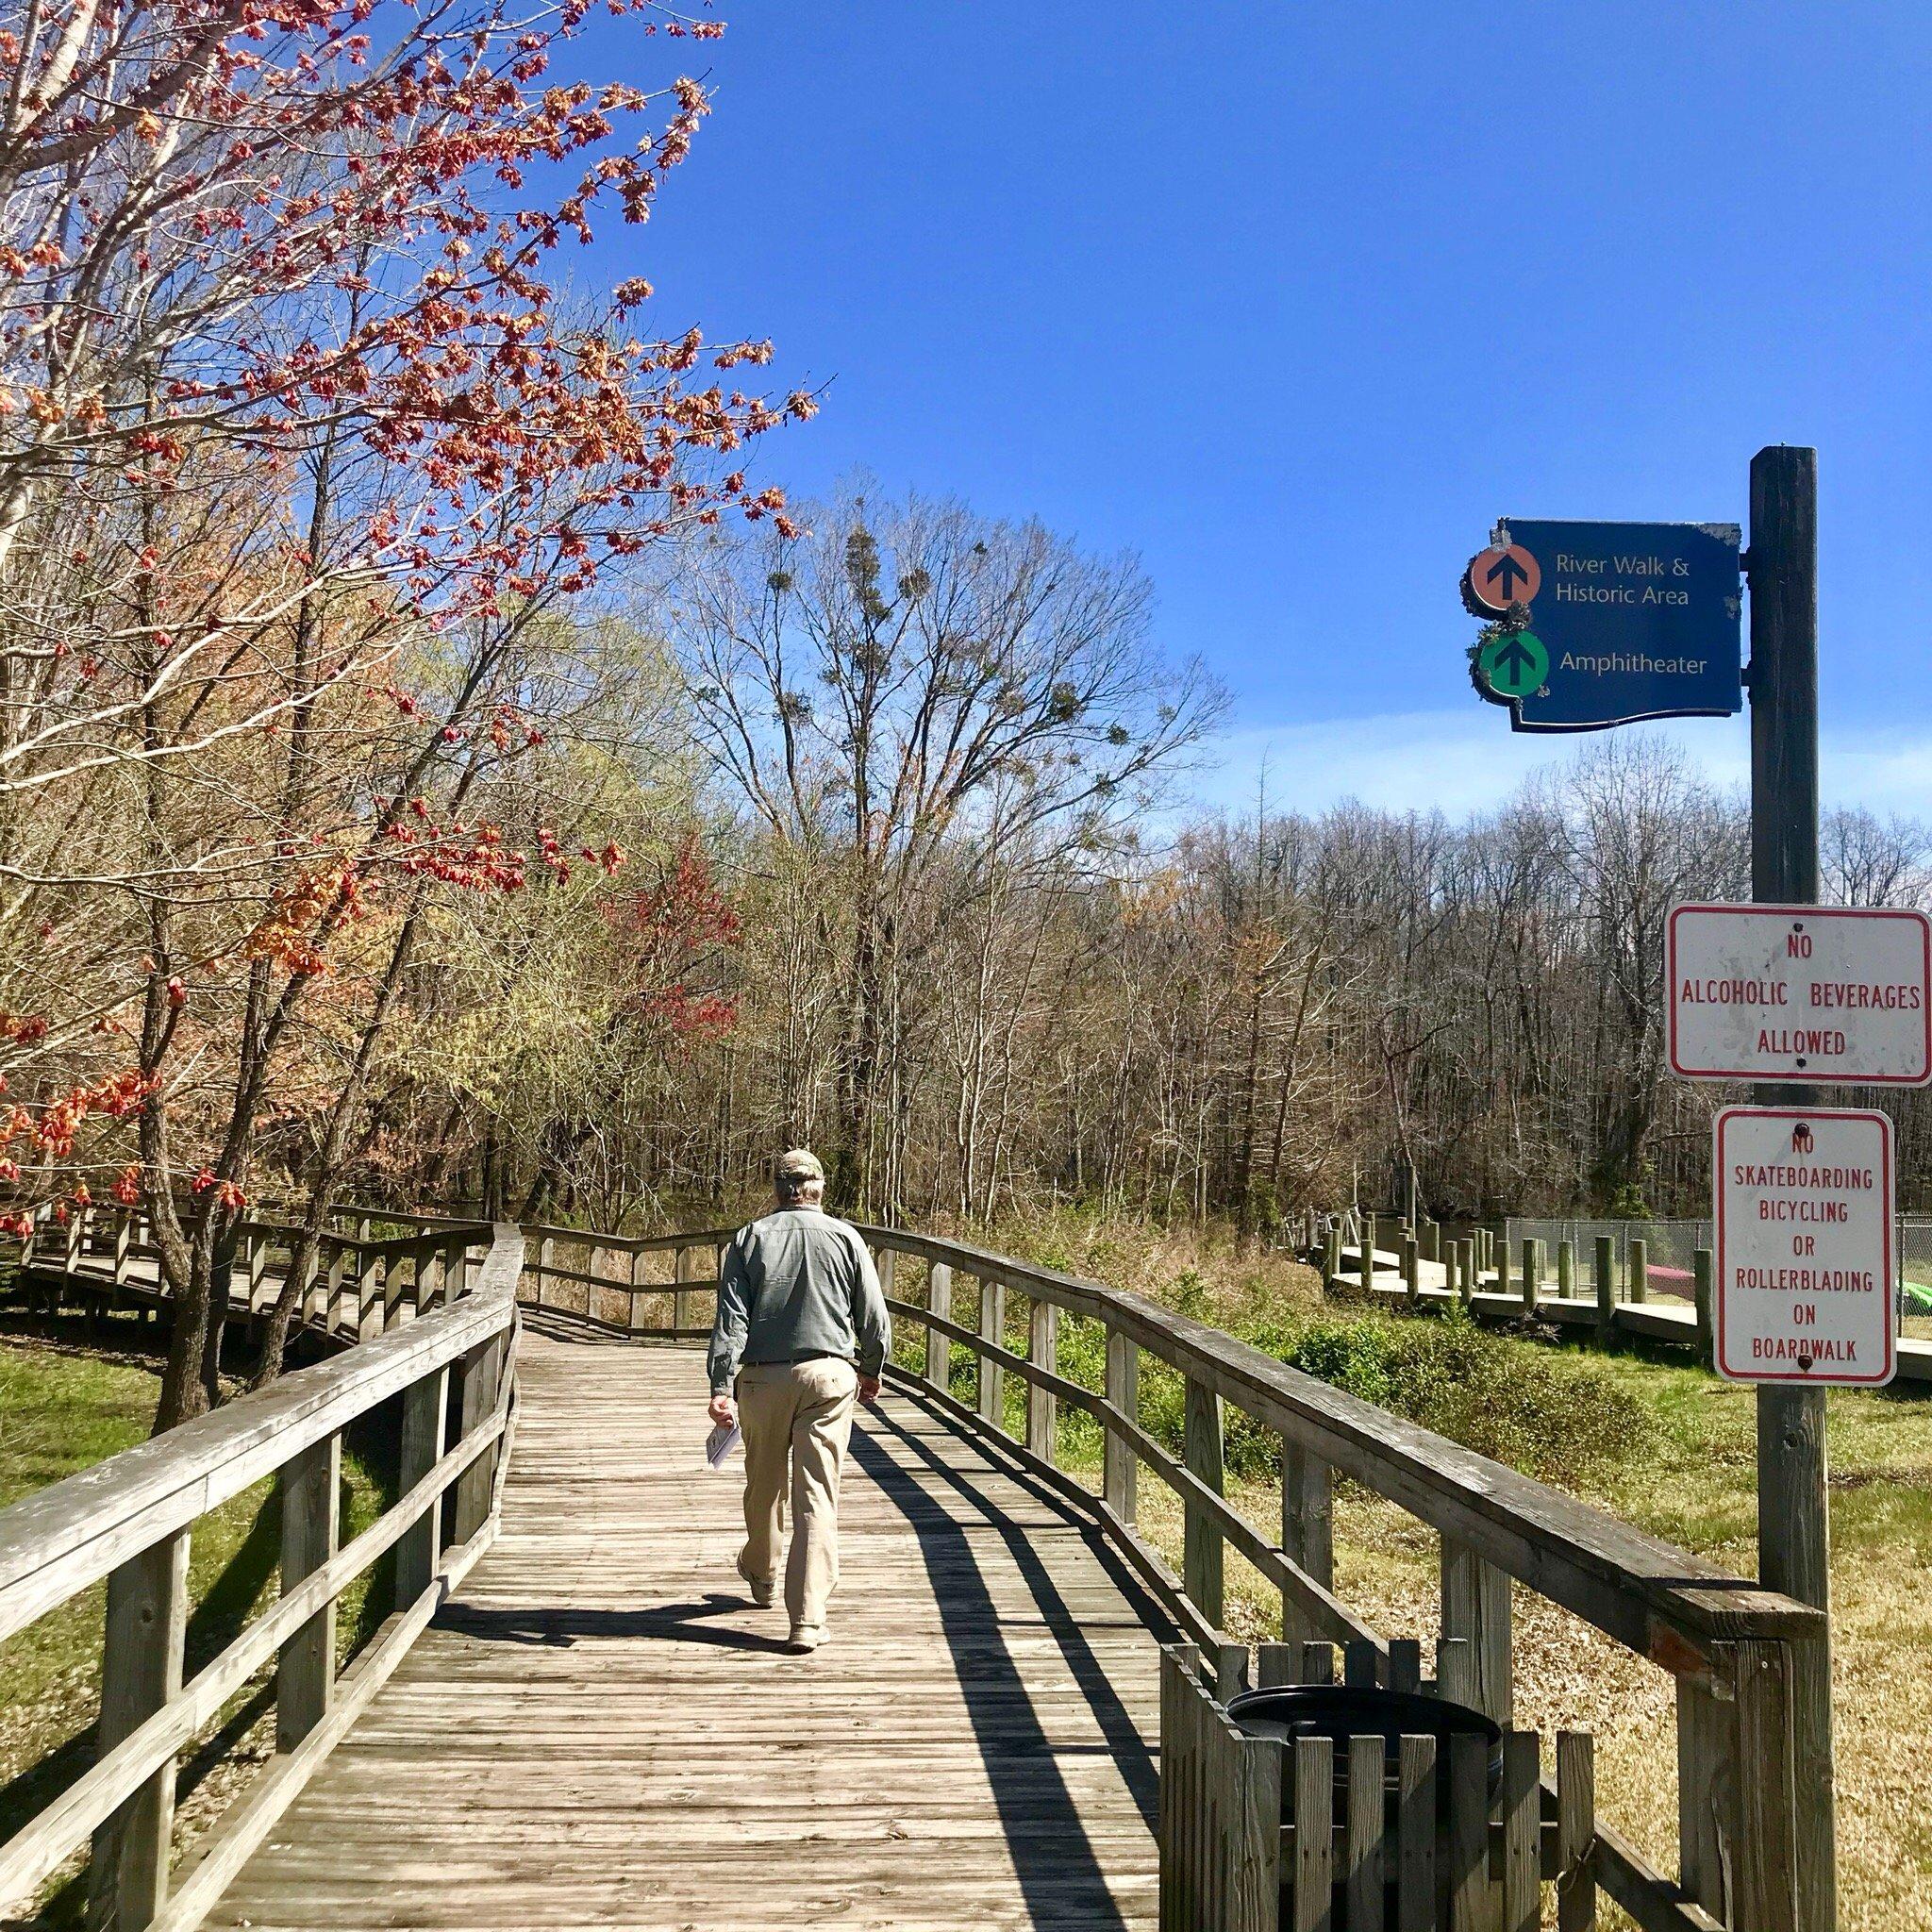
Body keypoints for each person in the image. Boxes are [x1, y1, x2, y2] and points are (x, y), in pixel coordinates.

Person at [707, 1148, 891, 1652]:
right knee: (817, 1496)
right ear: (819, 1190)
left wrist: (721, 1387)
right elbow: (873, 1317)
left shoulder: (750, 1238)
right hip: (829, 1378)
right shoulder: (847, 1237)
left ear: (777, 1189)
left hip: (763, 1382)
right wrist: (871, 1370)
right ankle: (807, 1619)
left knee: (764, 1485)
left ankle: (762, 1573)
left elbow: (731, 1321)